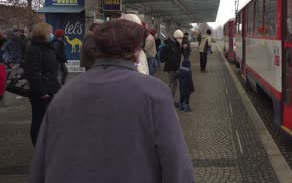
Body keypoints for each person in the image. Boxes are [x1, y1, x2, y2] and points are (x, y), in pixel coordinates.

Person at [28, 20, 195, 183]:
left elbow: (41, 162)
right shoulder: (154, 93)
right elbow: (175, 160)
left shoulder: (66, 92)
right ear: (136, 51)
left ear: (97, 48)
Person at [23, 23, 60, 146]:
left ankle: (47, 143)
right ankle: (39, 146)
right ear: (43, 33)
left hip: (50, 88)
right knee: (39, 119)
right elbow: (32, 73)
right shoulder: (34, 49)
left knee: (49, 118)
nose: (51, 34)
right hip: (41, 91)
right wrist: (42, 92)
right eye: (50, 32)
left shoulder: (47, 47)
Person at [163, 29, 183, 107]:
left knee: (173, 83)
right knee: (173, 84)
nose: (181, 39)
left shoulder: (173, 43)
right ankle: (170, 101)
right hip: (172, 68)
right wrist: (177, 68)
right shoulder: (172, 45)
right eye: (180, 38)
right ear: (177, 37)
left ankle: (171, 100)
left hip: (171, 67)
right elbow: (173, 58)